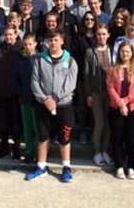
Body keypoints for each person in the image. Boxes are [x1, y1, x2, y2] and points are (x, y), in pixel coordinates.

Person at [25, 29, 78, 183]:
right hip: (43, 105)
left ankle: (66, 167)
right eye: (50, 40)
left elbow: (71, 83)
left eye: (55, 39)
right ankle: (41, 167)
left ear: (61, 40)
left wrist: (56, 97)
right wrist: (44, 99)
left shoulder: (70, 61)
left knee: (64, 137)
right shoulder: (39, 60)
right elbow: (35, 82)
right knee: (43, 136)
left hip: (64, 105)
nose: (52, 43)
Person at [106, 42, 134, 179]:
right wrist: (120, 103)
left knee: (132, 139)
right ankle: (118, 166)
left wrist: (126, 101)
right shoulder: (112, 69)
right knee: (117, 138)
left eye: (128, 52)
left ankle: (131, 166)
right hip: (116, 108)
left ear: (132, 53)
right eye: (123, 51)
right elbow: (110, 88)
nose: (125, 54)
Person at [0, 25, 23, 160]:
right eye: (7, 35)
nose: (9, 37)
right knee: (3, 123)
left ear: (16, 35)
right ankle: (3, 148)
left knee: (16, 123)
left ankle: (16, 149)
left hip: (16, 93)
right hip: (1, 91)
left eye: (11, 35)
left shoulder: (21, 49)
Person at [84, 24, 112, 166]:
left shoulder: (112, 50)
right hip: (95, 92)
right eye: (99, 34)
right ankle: (97, 152)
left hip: (110, 93)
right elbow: (87, 74)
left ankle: (105, 151)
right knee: (99, 123)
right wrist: (88, 94)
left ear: (108, 35)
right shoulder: (90, 52)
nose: (101, 37)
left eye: (104, 34)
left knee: (108, 124)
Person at [12, 33, 40, 165]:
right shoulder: (20, 59)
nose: (28, 47)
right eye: (25, 44)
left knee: (37, 129)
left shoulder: (41, 59)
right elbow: (15, 79)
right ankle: (29, 153)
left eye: (30, 44)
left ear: (35, 44)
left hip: (38, 100)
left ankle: (39, 155)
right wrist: (21, 92)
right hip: (24, 99)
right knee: (27, 129)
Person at [74, 11, 98, 145]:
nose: (89, 22)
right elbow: (75, 54)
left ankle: (93, 131)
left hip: (96, 76)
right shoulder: (79, 37)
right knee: (82, 105)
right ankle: (83, 132)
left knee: (95, 106)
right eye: (87, 19)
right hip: (82, 76)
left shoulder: (98, 36)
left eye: (92, 20)